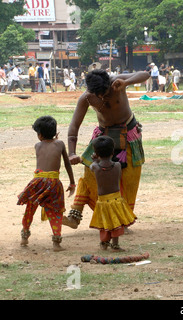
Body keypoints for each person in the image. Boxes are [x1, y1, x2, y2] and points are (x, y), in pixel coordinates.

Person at [62, 69, 148, 229]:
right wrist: (72, 152)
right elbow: (74, 126)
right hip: (102, 138)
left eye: (105, 92)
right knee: (90, 174)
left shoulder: (118, 82)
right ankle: (74, 216)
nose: (102, 97)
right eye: (98, 95)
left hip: (128, 135)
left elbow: (145, 74)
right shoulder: (87, 97)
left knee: (129, 178)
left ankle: (122, 220)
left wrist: (126, 82)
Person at [17, 116, 76, 251]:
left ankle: (24, 237)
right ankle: (56, 243)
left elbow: (47, 145)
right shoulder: (60, 144)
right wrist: (72, 182)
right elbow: (67, 163)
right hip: (54, 183)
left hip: (37, 182)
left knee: (30, 210)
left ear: (40, 135)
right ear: (55, 133)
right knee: (55, 211)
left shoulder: (37, 145)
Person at [89, 136, 137, 251]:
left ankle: (104, 243)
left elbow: (91, 166)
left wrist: (96, 160)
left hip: (102, 200)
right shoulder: (117, 165)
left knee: (104, 223)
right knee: (116, 223)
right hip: (116, 199)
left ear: (96, 153)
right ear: (112, 152)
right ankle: (115, 245)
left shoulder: (95, 167)